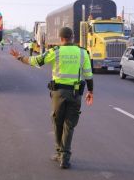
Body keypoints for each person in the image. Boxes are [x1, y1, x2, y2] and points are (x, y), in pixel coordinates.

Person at [10, 27, 94, 169]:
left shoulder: (55, 52)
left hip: (58, 94)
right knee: (69, 125)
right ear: (72, 37)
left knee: (57, 122)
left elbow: (36, 61)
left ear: (61, 39)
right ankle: (65, 157)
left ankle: (59, 153)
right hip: (75, 94)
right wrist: (90, 91)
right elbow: (88, 75)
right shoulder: (82, 53)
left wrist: (19, 57)